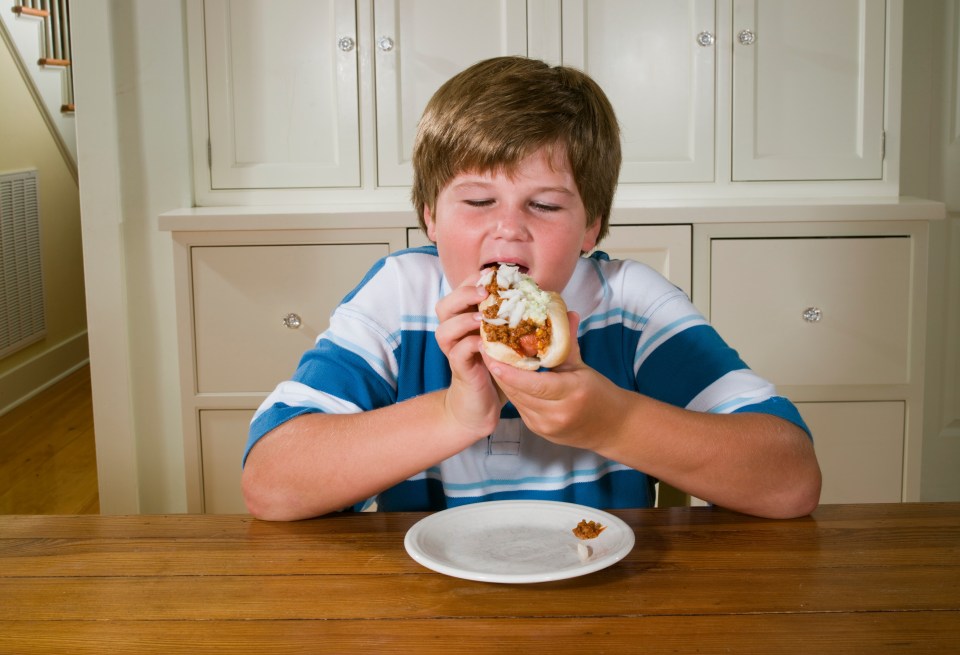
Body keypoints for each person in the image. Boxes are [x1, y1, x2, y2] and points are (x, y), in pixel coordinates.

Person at [241, 56, 821, 521]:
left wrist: (612, 421)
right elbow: (271, 484)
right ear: (430, 218)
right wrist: (454, 414)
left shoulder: (631, 304)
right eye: (476, 201)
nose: (509, 227)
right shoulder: (400, 297)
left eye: (544, 205)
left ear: (591, 225)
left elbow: (790, 481)